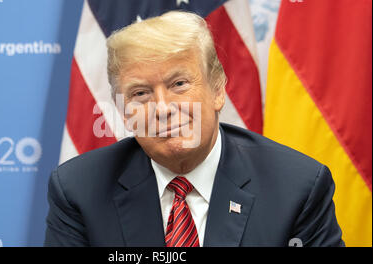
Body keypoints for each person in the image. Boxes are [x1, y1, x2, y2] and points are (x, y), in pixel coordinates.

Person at [44, 11, 344, 247]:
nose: (162, 108)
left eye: (178, 85)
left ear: (217, 90)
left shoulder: (296, 187)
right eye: (140, 94)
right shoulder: (80, 190)